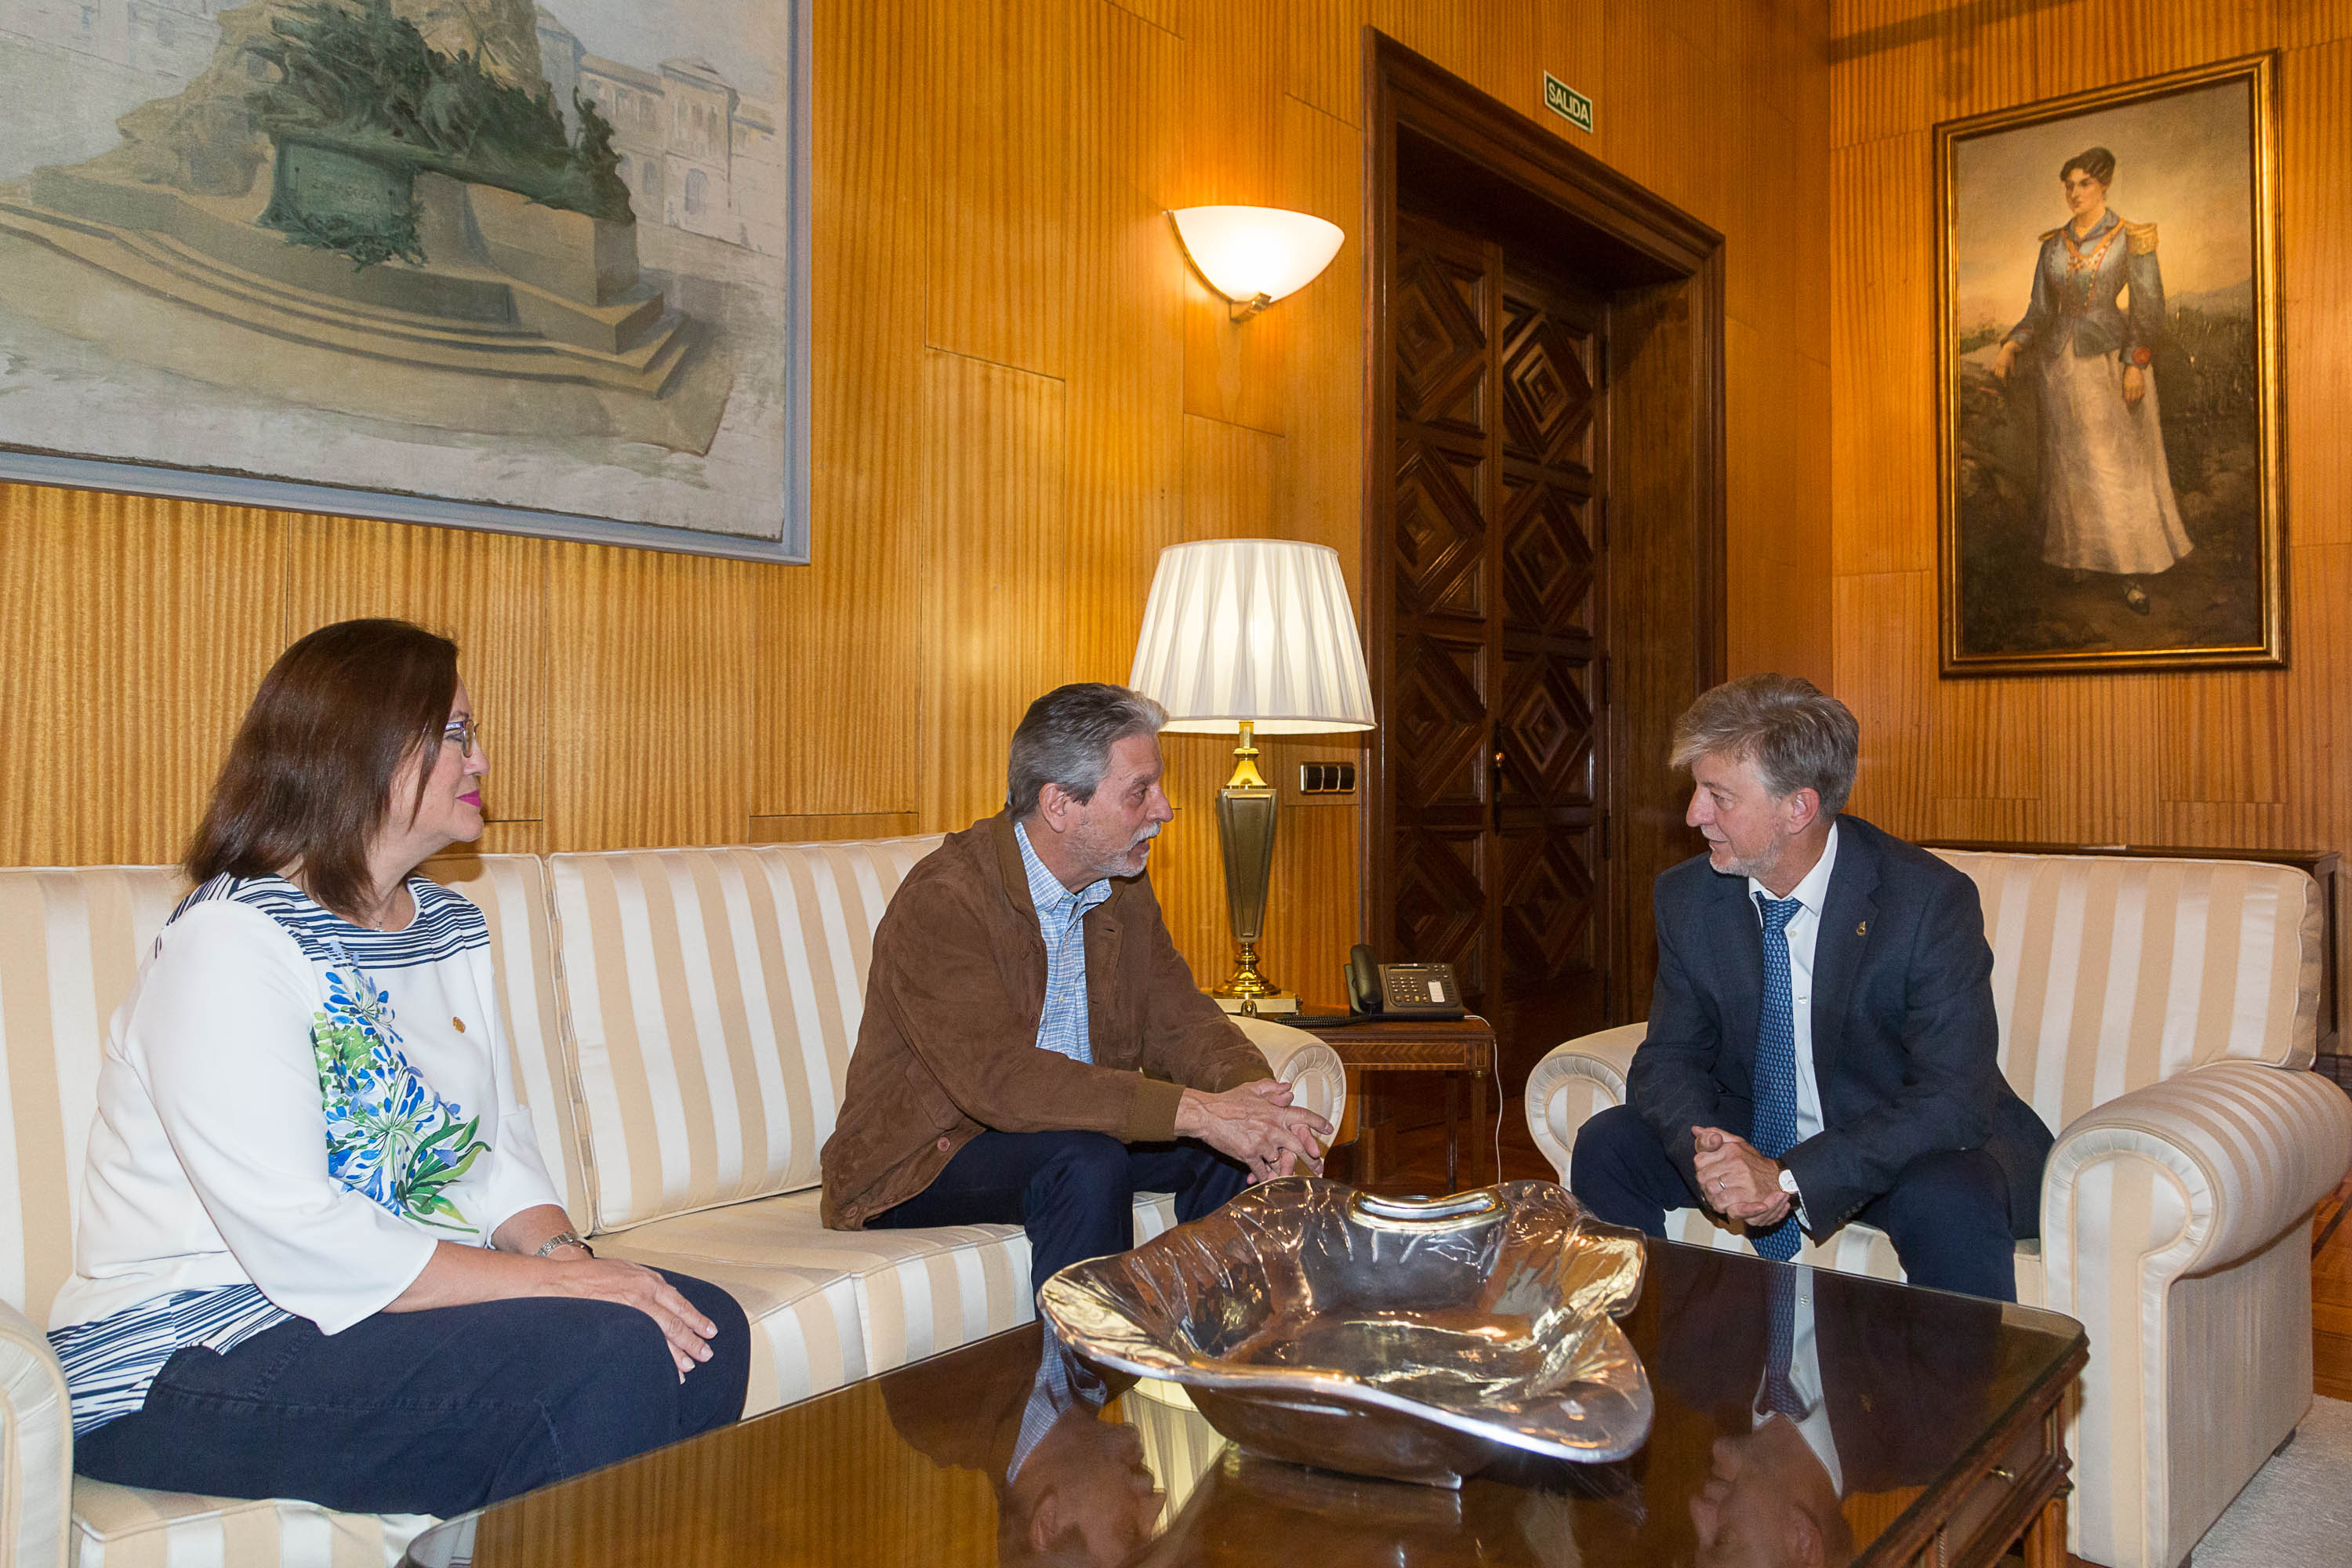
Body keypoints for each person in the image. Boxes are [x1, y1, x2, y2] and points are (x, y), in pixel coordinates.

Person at [49, 619, 750, 1516]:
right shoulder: (232, 940)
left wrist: (572, 1258)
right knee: (604, 1355)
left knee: (704, 1328)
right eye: (455, 732)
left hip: (363, 1313)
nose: (482, 756)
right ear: (361, 751)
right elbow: (300, 1234)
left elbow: (489, 1151)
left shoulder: (448, 924)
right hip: (187, 1348)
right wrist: (560, 1285)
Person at [820, 682, 1330, 1302]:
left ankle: (1221, 1363)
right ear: (1060, 804)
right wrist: (1198, 1111)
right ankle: (1081, 1391)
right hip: (927, 1159)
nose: (1164, 808)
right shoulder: (945, 901)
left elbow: (1182, 1019)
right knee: (1087, 1162)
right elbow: (1000, 1081)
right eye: (1140, 791)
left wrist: (1256, 1108)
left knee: (1220, 1155)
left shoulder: (1121, 882)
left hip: (1074, 1127)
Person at [1570, 675, 2052, 1301]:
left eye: (1719, 796)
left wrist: (1790, 1179)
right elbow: (1669, 1058)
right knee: (1610, 1144)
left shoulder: (1927, 900)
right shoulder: (1689, 896)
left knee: (1948, 1198)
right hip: (1761, 1125)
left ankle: (1964, 1400)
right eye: (1697, 790)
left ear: (1797, 808)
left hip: (1897, 1141)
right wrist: (1713, 1153)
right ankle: (1643, 1369)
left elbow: (1953, 1099)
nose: (1694, 815)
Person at [1992, 144, 2191, 616]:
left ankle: (2131, 572)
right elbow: (2040, 312)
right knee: (2073, 466)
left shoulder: (2131, 237)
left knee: (2118, 468)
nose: (2074, 193)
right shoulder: (2051, 246)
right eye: (2069, 185)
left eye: (2084, 183)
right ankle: (2081, 558)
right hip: (2059, 370)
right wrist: (2011, 344)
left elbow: (2149, 308)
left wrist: (2136, 363)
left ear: (2104, 185)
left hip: (2112, 365)